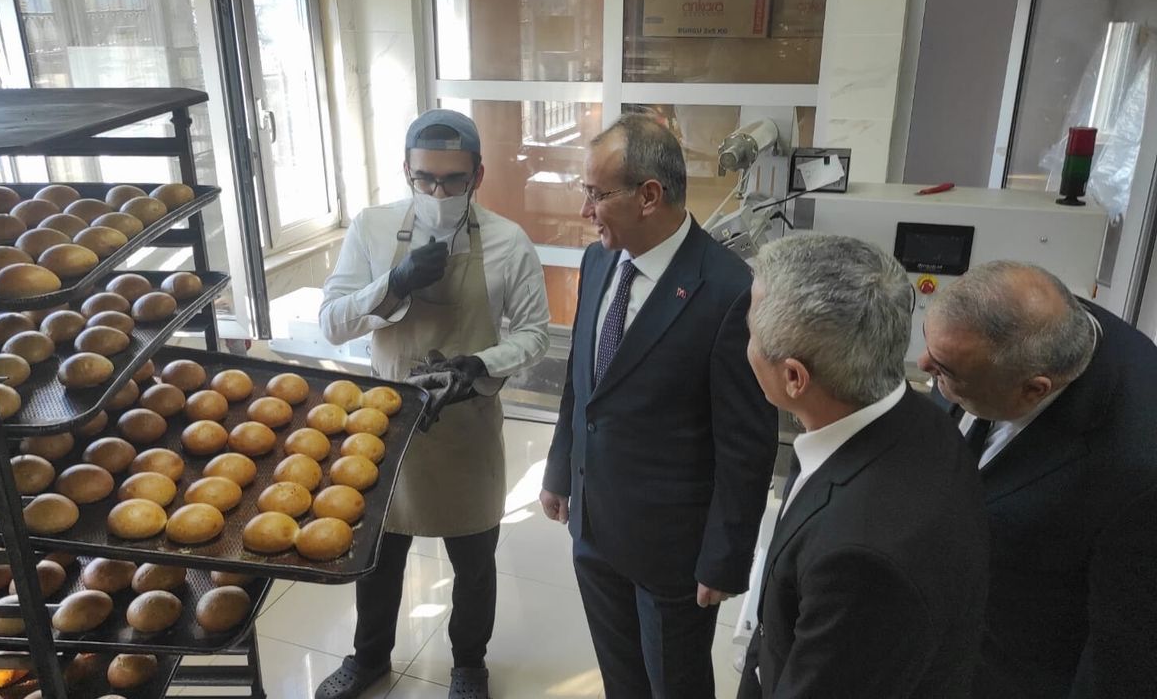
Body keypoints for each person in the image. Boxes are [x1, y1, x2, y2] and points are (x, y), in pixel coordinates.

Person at [539, 114, 777, 698]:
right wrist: (559, 468)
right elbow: (581, 380)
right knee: (621, 678)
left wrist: (725, 557)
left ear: (649, 195)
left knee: (675, 684)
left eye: (597, 194)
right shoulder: (599, 261)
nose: (585, 210)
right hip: (593, 526)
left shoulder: (728, 290)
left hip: (673, 552)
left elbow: (746, 443)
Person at [316, 109, 550, 699]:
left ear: (478, 175)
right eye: (426, 179)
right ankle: (369, 658)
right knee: (377, 556)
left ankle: (469, 664)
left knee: (474, 559)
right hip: (385, 425)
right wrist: (392, 283)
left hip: (465, 425)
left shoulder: (508, 241)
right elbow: (332, 323)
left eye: (453, 180)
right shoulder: (371, 229)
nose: (439, 193)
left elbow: (535, 334)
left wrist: (482, 364)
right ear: (406, 171)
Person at [738, 233, 989, 699]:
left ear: (794, 377)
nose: (745, 343)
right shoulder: (919, 419)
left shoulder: (860, 561)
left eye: (750, 331)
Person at [918, 261, 1157, 698]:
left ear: (1034, 389)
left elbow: (1122, 654)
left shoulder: (1135, 474)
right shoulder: (1018, 324)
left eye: (944, 371)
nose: (923, 365)